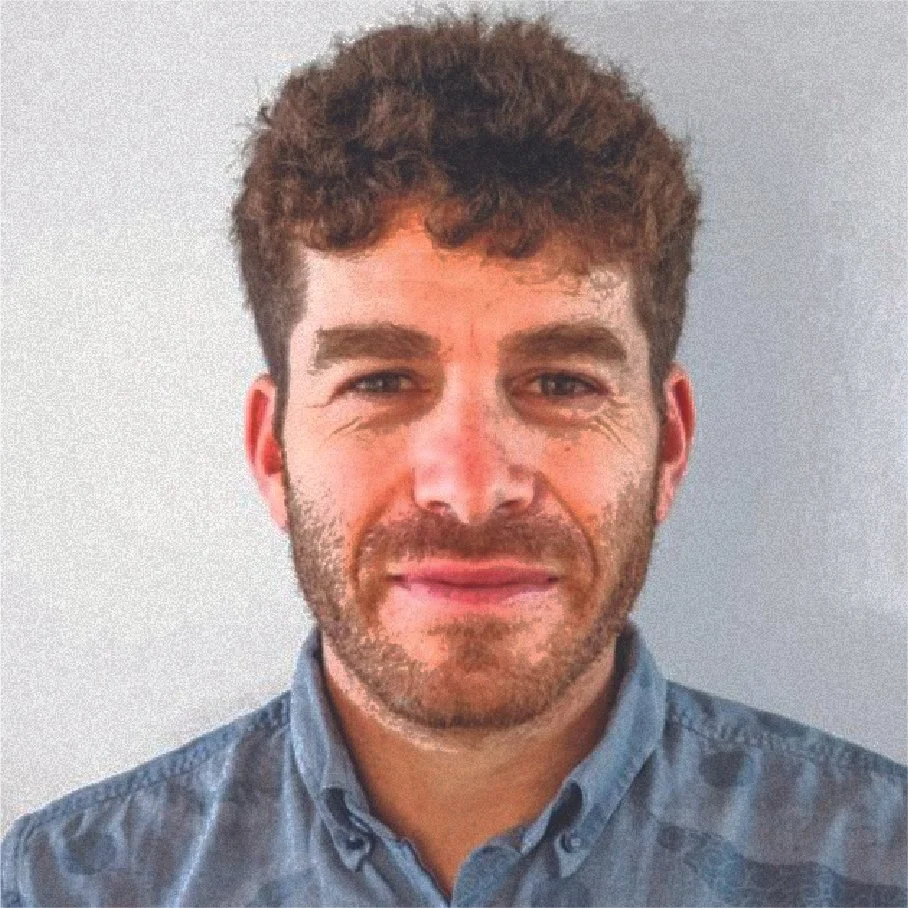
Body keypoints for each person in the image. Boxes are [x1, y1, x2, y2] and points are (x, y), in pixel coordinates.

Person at [2, 11, 905, 908]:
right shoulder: (60, 887)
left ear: (668, 442)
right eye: (382, 381)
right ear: (272, 453)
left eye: (559, 383)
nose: (471, 490)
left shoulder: (879, 869)